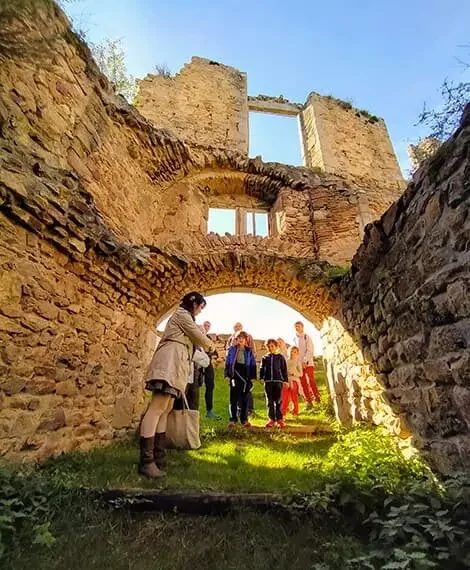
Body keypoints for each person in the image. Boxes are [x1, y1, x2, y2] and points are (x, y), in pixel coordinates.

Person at [139, 292, 213, 478]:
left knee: (166, 408)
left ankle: (159, 455)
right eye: (200, 306)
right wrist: (212, 347)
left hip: (175, 365)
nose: (200, 311)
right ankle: (146, 461)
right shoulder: (182, 315)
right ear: (194, 302)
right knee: (157, 408)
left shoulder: (184, 317)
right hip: (168, 363)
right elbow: (198, 336)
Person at [224, 331, 257, 427]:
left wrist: (252, 377)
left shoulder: (249, 351)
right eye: (239, 338)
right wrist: (227, 374)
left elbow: (252, 364)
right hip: (235, 375)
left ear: (246, 340)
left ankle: (244, 420)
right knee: (233, 398)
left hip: (245, 376)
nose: (241, 339)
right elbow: (228, 362)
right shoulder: (232, 350)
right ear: (236, 339)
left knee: (244, 399)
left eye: (243, 338)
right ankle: (233, 419)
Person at [260, 339, 288, 428]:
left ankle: (279, 419)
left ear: (276, 347)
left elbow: (284, 369)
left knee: (278, 401)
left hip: (278, 381)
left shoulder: (280, 357)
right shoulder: (265, 358)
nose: (270, 348)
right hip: (268, 382)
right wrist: (261, 377)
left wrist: (285, 380)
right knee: (270, 401)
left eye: (272, 346)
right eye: (268, 346)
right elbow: (262, 368)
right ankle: (271, 419)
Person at [294, 321, 320, 410]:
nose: (297, 328)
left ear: (302, 327)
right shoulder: (294, 339)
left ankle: (317, 399)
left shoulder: (306, 337)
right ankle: (309, 402)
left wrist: (305, 361)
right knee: (303, 383)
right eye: (296, 326)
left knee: (311, 381)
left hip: (308, 364)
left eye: (298, 326)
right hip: (299, 365)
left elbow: (310, 350)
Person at [201, 321, 221, 420]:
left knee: (210, 386)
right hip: (196, 362)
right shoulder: (197, 333)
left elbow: (214, 351)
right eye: (205, 325)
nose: (206, 327)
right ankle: (191, 410)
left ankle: (209, 411)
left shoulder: (208, 338)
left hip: (207, 362)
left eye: (208, 325)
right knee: (194, 386)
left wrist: (216, 357)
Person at [281, 346, 302, 417]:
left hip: (294, 380)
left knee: (294, 397)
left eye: (295, 352)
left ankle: (295, 412)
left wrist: (293, 373)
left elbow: (301, 374)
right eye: (291, 351)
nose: (293, 353)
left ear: (297, 353)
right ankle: (283, 413)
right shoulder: (285, 361)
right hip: (286, 381)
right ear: (289, 352)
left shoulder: (297, 362)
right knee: (285, 398)